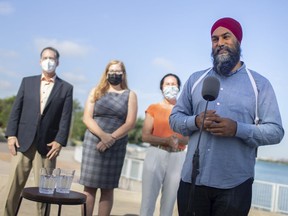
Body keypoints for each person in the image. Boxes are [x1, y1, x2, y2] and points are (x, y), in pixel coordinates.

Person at [169, 17, 285, 216]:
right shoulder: (195, 80)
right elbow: (175, 118)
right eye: (215, 39)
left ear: (238, 41)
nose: (220, 43)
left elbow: (275, 131)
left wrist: (237, 129)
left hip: (235, 185)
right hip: (192, 182)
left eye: (226, 37)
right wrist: (195, 121)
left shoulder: (259, 84)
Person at [2, 46, 73, 216]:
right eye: (45, 57)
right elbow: (16, 109)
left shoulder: (66, 88)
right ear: (40, 61)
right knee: (12, 187)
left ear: (58, 62)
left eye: (52, 58)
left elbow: (66, 117)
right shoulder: (27, 82)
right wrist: (11, 134)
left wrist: (60, 141)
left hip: (47, 146)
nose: (49, 61)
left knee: (44, 191)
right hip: (22, 142)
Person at [79, 60, 138, 216]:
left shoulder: (130, 95)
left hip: (116, 144)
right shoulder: (95, 91)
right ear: (106, 74)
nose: (115, 74)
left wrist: (111, 138)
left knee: (107, 188)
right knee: (89, 187)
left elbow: (130, 123)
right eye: (111, 71)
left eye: (118, 71)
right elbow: (86, 118)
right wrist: (103, 136)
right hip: (93, 143)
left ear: (123, 74)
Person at [140, 73, 188, 216]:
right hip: (156, 153)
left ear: (179, 87)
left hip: (178, 157)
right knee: (148, 199)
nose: (171, 86)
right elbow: (145, 135)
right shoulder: (153, 108)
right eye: (167, 84)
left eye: (174, 84)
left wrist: (177, 141)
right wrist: (165, 141)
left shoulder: (186, 111)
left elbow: (188, 138)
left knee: (170, 200)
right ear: (161, 87)